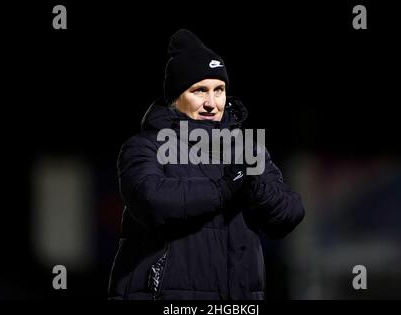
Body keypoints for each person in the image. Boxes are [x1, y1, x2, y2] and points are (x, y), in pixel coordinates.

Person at [108, 29, 305, 300]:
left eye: (219, 90)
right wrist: (224, 187)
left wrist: (252, 181)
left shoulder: (246, 149)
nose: (211, 103)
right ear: (175, 98)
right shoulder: (145, 146)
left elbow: (288, 215)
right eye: (199, 90)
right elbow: (152, 201)